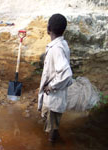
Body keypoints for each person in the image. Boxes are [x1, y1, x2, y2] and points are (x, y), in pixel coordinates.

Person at [37, 14, 73, 143]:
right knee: (52, 122)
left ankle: (52, 143)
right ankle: (53, 138)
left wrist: (51, 86)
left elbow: (66, 74)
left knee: (52, 126)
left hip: (54, 94)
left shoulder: (56, 49)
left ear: (48, 28)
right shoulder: (61, 44)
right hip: (55, 95)